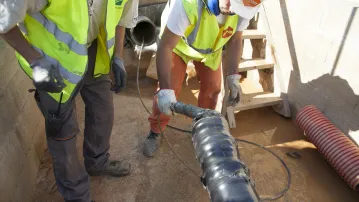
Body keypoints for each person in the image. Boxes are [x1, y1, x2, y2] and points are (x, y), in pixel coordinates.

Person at [0, 0, 138, 201]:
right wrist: (35, 61)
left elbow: (121, 18)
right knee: (63, 135)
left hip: (95, 52)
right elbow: (4, 20)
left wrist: (118, 56)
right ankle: (77, 195)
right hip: (52, 63)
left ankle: (97, 162)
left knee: (103, 112)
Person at [143, 0, 264, 157]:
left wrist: (233, 76)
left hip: (210, 49)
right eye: (234, 4)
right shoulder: (187, 4)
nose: (234, 11)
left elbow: (235, 39)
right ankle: (155, 130)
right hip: (178, 45)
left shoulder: (243, 9)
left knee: (212, 89)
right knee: (169, 90)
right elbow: (166, 46)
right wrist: (165, 90)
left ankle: (202, 129)